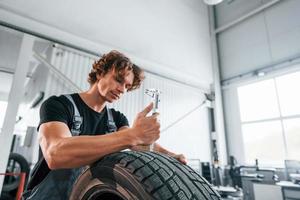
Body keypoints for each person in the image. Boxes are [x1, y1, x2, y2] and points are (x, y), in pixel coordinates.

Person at [23, 50, 186, 199]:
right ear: (100, 73)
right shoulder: (60, 105)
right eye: (118, 80)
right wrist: (132, 135)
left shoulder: (116, 119)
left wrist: (171, 155)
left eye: (127, 86)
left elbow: (139, 144)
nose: (122, 89)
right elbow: (55, 154)